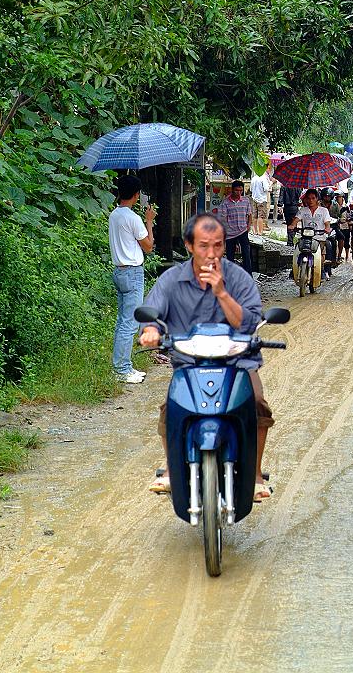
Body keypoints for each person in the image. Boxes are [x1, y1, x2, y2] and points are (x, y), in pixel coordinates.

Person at [138, 213, 275, 500]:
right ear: (189, 245)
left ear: (225, 246)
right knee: (171, 407)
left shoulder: (238, 278)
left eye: (217, 246)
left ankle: (255, 475)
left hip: (237, 362)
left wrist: (222, 292)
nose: (211, 253)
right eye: (203, 246)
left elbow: (248, 324)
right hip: (190, 363)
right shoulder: (172, 280)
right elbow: (152, 311)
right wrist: (150, 330)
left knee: (258, 404)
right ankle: (171, 468)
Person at [108, 174, 155, 383]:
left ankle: (121, 365)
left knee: (122, 321)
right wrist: (149, 221)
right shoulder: (133, 219)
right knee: (130, 323)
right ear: (136, 195)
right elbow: (148, 246)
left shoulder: (114, 215)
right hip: (133, 272)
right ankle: (122, 369)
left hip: (119, 271)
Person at [288, 189, 333, 276]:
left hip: (319, 236)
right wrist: (292, 225)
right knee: (297, 249)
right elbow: (296, 220)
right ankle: (294, 268)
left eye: (313, 198)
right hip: (305, 237)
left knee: (321, 252)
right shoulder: (303, 210)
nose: (311, 200)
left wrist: (327, 228)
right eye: (308, 198)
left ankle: (321, 269)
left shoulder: (324, 211)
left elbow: (327, 223)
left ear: (317, 199)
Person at [218, 179, 253, 274]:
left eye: (241, 191)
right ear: (232, 190)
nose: (239, 193)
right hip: (230, 233)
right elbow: (222, 218)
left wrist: (249, 225)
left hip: (243, 231)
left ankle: (249, 277)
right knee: (230, 256)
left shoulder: (246, 201)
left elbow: (249, 214)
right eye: (237, 190)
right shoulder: (225, 202)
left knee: (246, 255)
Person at [250, 165, 273, 235]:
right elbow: (266, 189)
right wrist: (270, 184)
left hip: (254, 198)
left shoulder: (253, 178)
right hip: (262, 199)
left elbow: (250, 189)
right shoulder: (263, 178)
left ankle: (255, 231)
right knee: (261, 216)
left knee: (254, 215)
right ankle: (260, 232)